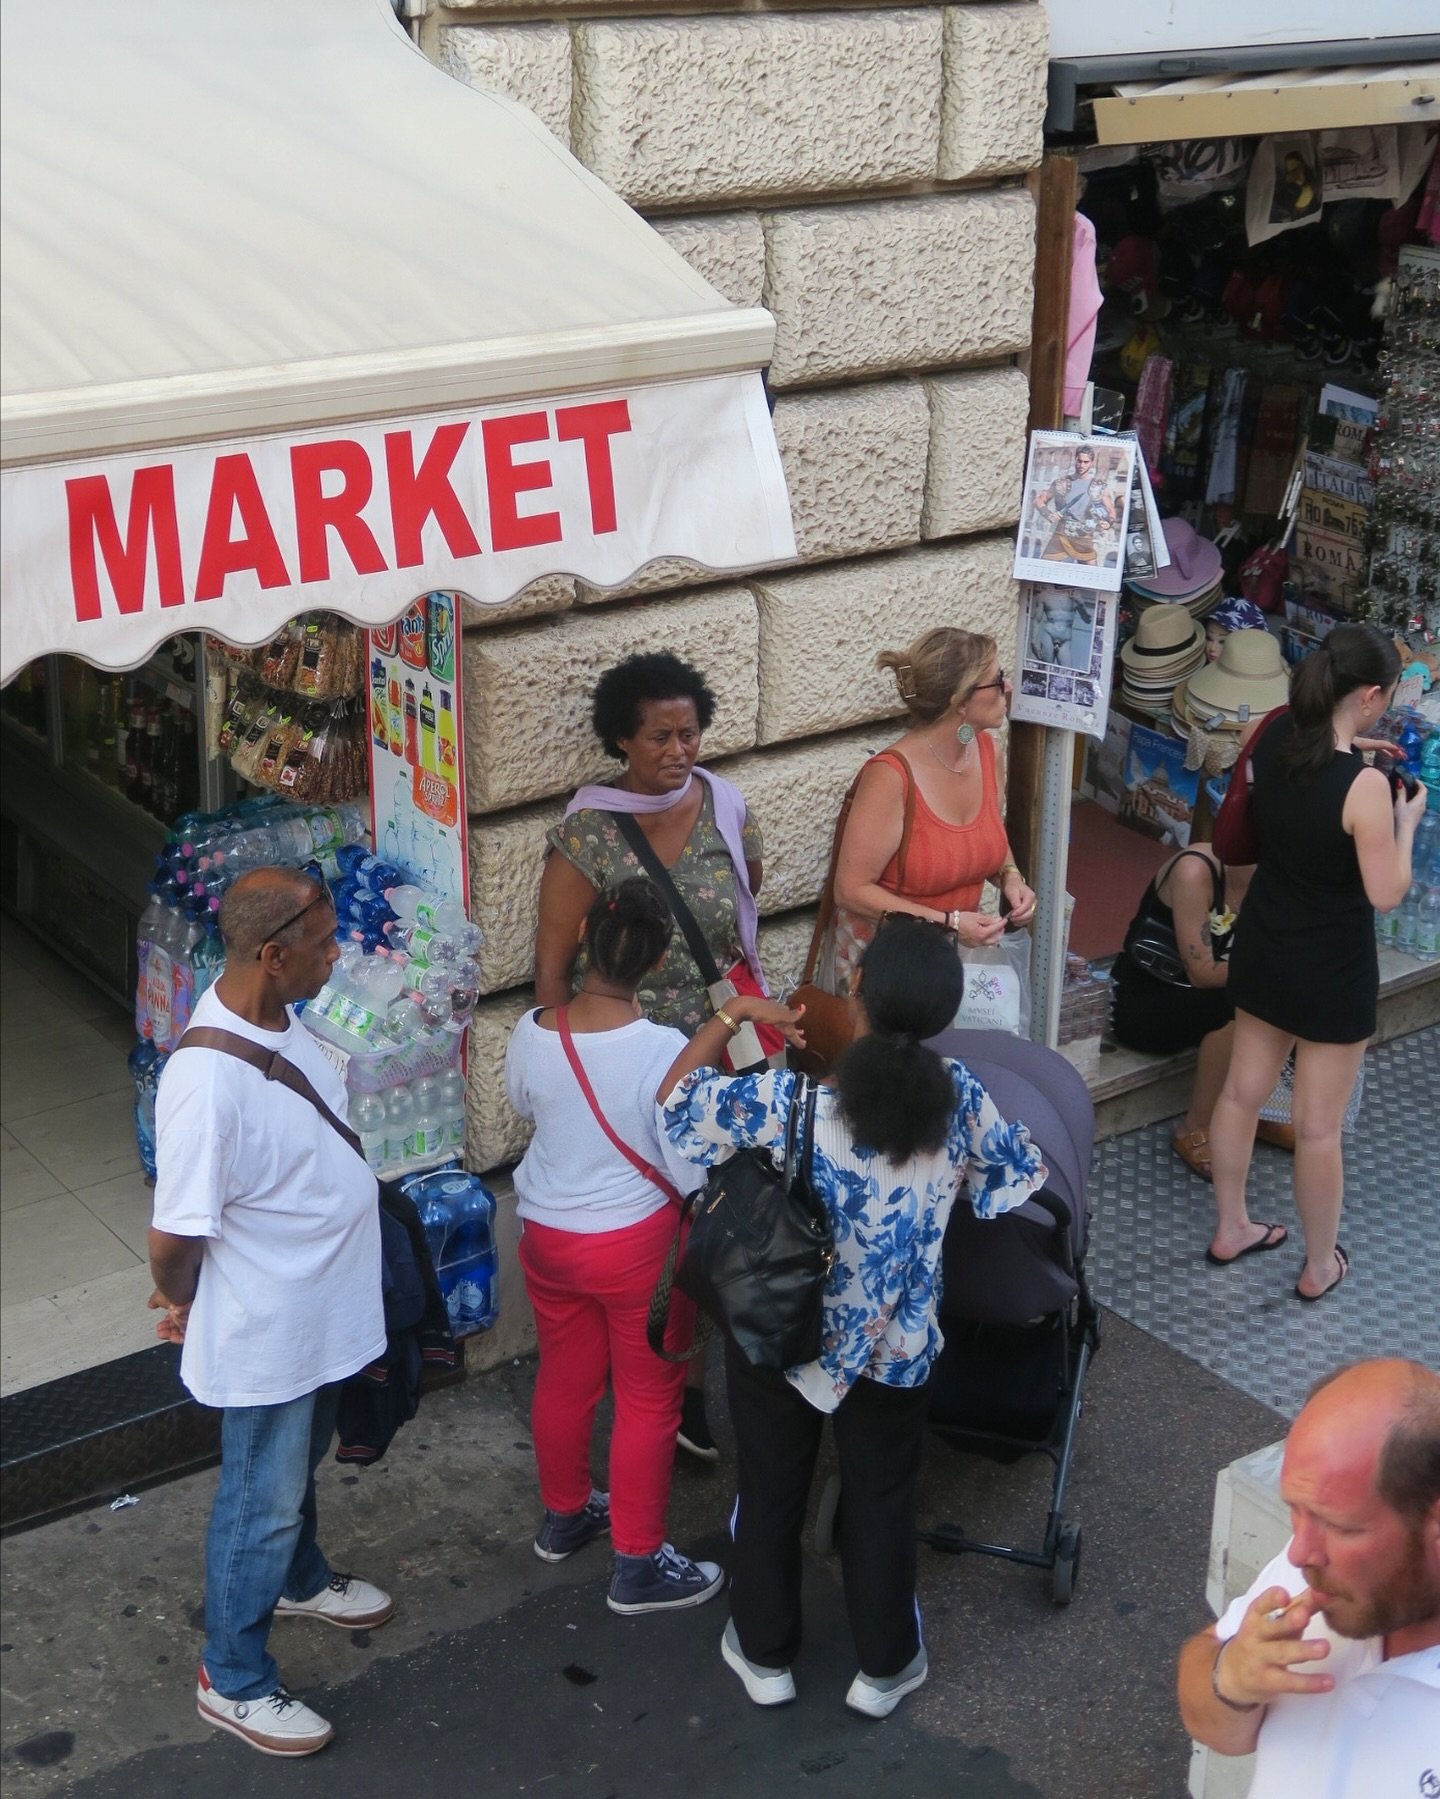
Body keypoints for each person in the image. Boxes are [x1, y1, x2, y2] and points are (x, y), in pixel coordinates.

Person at [660, 917, 1048, 1719]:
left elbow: (674, 1106)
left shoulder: (792, 1103)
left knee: (771, 1486)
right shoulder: (962, 1099)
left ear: (858, 990)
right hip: (898, 1348)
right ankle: (884, 1666)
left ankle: (764, 1653)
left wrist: (735, 1013)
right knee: (883, 1497)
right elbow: (1014, 1180)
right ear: (942, 1010)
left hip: (785, 1334)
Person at [147, 866, 391, 1759]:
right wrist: (183, 1300)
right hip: (271, 1330)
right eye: (324, 944)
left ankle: (300, 1578)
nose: (339, 955)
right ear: (274, 954)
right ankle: (233, 1677)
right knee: (261, 1498)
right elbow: (174, 1236)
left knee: (294, 1473)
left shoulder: (285, 1016)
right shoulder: (205, 1083)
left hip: (321, 1311)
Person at [508, 878, 799, 1614]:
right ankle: (638, 1563)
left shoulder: (532, 1031)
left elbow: (522, 1103)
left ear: (583, 939)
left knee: (564, 1378)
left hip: (546, 1236)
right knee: (647, 1399)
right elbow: (685, 1146)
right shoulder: (665, 1049)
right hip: (636, 1249)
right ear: (660, 959)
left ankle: (565, 1516)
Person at [534, 652, 768, 1460]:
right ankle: (643, 1382)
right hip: (628, 1064)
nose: (679, 750)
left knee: (708, 1219)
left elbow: (745, 908)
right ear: (621, 741)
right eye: (659, 736)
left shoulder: (727, 807)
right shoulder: (587, 834)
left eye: (689, 733)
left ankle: (688, 1390)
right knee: (652, 1224)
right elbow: (552, 970)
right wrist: (569, 1070)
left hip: (717, 1051)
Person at [1206, 625, 1425, 1292]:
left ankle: (1231, 1225)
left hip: (1266, 944)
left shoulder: (1276, 734)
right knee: (1318, 1127)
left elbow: (1312, 764)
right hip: (1331, 970)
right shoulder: (1364, 789)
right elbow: (1386, 892)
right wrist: (1406, 824)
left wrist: (1355, 750)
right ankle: (1320, 1263)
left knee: (1242, 1092)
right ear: (1369, 695)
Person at [1177, 1358, 1440, 1796]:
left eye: (1339, 1526)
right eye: (1295, 1510)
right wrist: (1231, 1677)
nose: (1299, 1553)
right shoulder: (1322, 1571)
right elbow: (1214, 1726)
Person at [829, 628, 1036, 994]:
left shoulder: (987, 752)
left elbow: (984, 838)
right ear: (961, 702)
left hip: (950, 965)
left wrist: (1012, 877)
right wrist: (949, 923)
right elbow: (850, 890)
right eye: (998, 679)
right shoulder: (891, 776)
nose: (1008, 687)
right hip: (885, 975)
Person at [1109, 846, 1292, 1190]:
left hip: (1202, 996)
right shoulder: (1195, 871)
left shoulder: (1275, 880)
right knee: (1250, 1002)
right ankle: (1193, 1128)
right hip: (1147, 1003)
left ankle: (1263, 1107)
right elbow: (1202, 972)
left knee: (1291, 995)